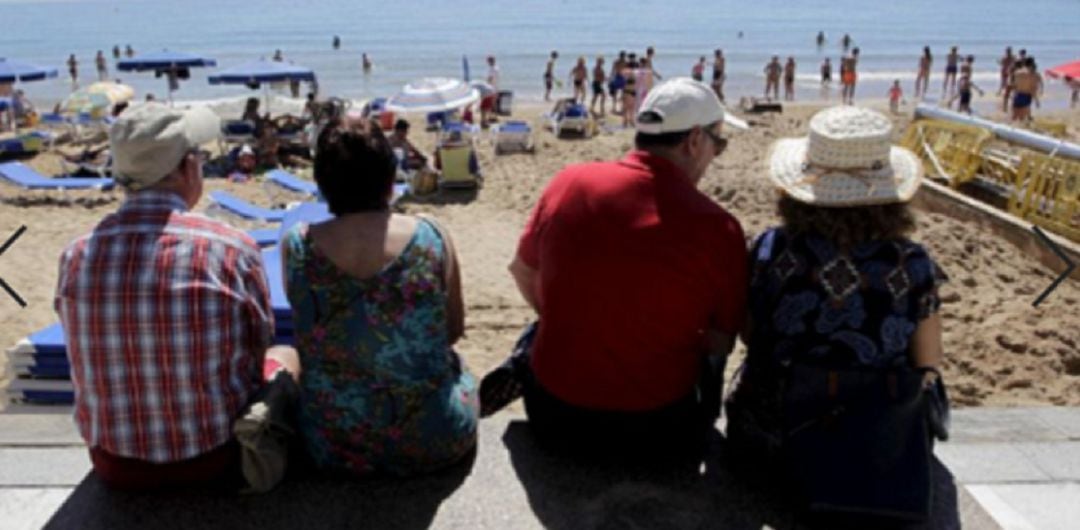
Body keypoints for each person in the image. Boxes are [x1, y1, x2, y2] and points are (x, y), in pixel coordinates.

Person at [490, 78, 750, 460]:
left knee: (542, 328)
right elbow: (719, 342)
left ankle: (523, 364)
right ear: (694, 141)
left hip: (555, 418)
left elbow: (522, 271)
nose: (716, 154)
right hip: (657, 431)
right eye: (719, 143)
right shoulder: (719, 228)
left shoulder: (569, 182)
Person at [55, 104, 302, 491]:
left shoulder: (76, 255)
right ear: (189, 168)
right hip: (214, 458)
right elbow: (258, 351)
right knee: (286, 355)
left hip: (113, 464)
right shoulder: (230, 248)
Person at [725, 105, 947, 519]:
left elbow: (750, 334)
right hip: (874, 446)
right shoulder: (913, 263)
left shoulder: (772, 249)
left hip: (775, 438)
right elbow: (928, 360)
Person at [281, 117, 477, 476]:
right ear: (390, 179)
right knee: (460, 369)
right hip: (434, 440)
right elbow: (451, 330)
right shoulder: (430, 236)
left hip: (331, 443)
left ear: (323, 184)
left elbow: (306, 329)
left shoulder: (297, 243)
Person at [1011, 57, 1041, 122]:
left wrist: (1013, 95)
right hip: (1026, 97)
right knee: (1023, 119)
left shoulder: (1017, 72)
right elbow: (1033, 89)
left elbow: (1014, 86)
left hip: (1017, 96)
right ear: (1032, 64)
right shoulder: (1034, 75)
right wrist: (1036, 101)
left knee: (1014, 117)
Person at [621, 55, 638, 127]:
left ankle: (625, 121)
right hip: (633, 90)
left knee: (626, 107)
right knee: (632, 107)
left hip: (626, 90)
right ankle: (631, 120)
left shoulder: (625, 71)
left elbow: (623, 80)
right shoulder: (636, 72)